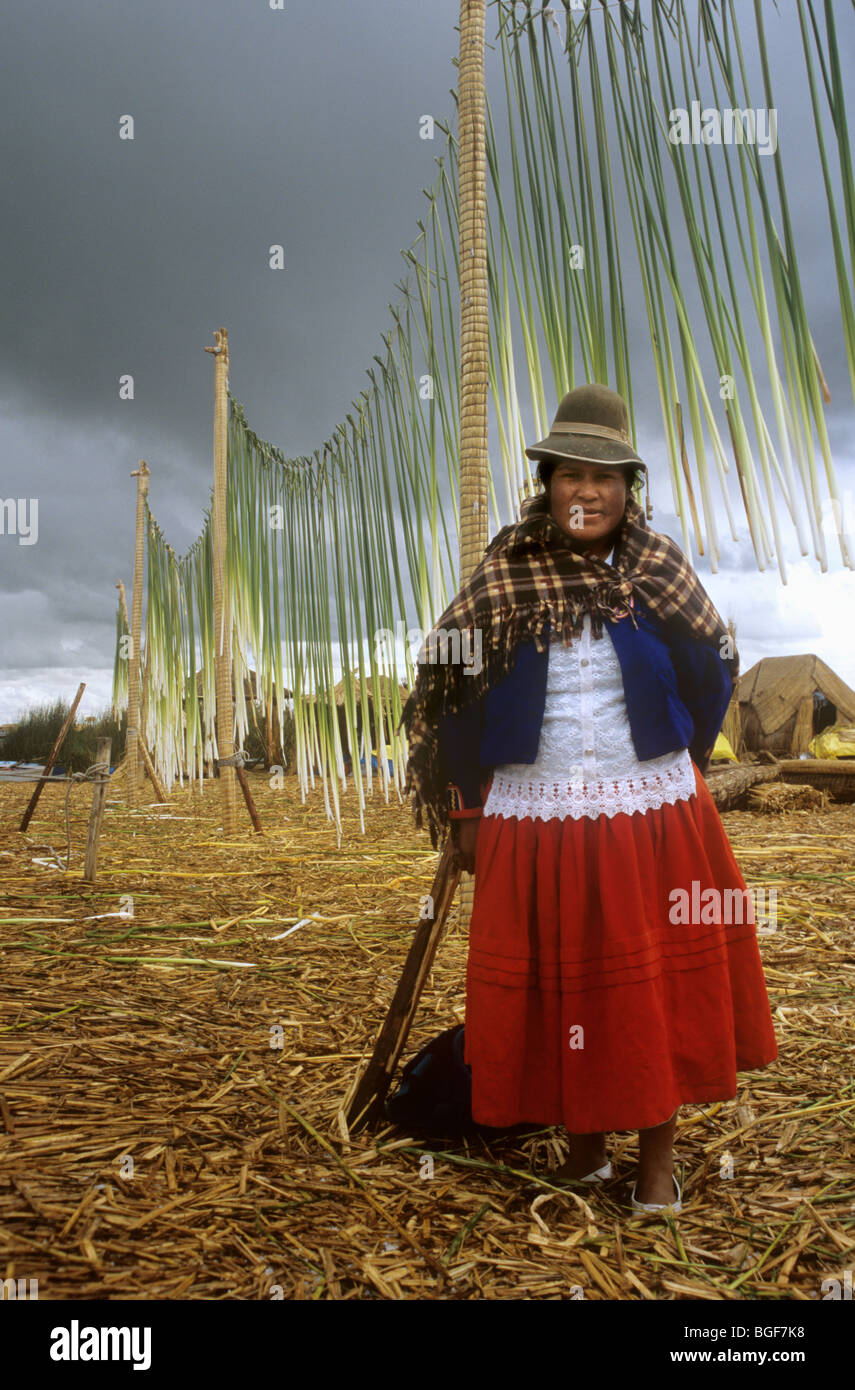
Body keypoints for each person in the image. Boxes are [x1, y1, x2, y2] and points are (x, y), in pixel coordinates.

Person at [400, 383, 778, 1213]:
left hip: (650, 811)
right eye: (570, 473)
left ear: (627, 487)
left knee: (653, 992)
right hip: (533, 818)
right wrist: (463, 808)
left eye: (605, 475)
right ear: (547, 485)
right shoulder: (504, 573)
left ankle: (655, 1161)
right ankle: (583, 1154)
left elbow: (711, 666)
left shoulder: (658, 570)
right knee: (563, 987)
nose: (588, 490)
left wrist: (674, 750)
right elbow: (450, 693)